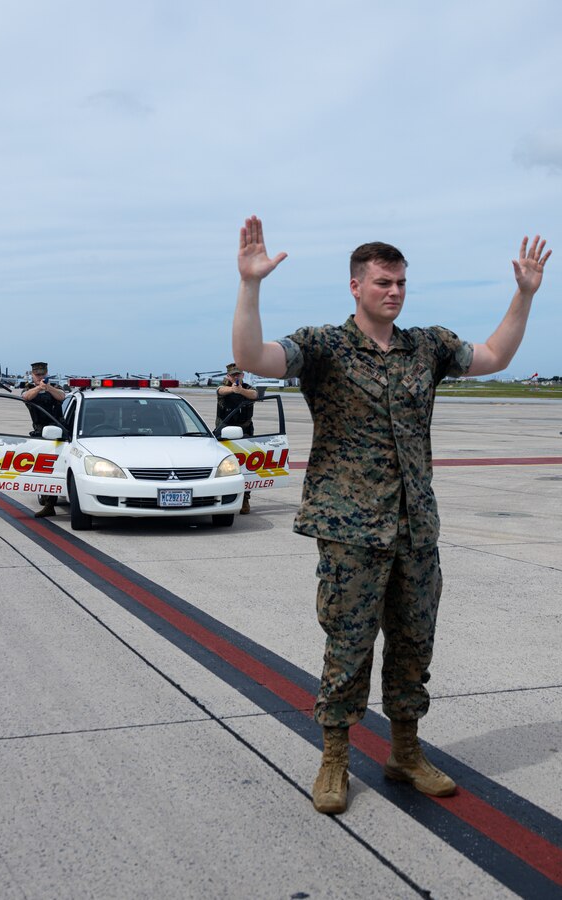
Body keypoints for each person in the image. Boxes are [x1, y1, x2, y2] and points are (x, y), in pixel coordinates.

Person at [232, 215, 551, 815]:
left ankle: (405, 751)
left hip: (415, 529)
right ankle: (334, 758)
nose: (395, 291)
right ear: (356, 286)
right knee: (348, 645)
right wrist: (250, 285)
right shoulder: (326, 346)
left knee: (413, 644)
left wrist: (524, 294)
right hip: (351, 530)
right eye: (383, 282)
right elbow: (252, 355)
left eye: (401, 281)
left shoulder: (425, 345)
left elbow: (494, 357)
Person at [21, 362, 66, 519]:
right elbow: (26, 397)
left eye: (43, 374)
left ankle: (51, 503)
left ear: (47, 373)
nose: (41, 377)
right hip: (41, 433)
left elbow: (62, 396)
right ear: (33, 375)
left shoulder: (54, 388)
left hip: (58, 432)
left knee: (54, 469)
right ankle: (48, 502)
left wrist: (48, 387)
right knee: (42, 470)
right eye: (38, 375)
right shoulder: (29, 389)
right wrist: (39, 388)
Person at [216, 363, 258, 514]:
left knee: (246, 466)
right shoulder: (223, 388)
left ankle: (245, 499)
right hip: (224, 433)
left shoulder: (248, 388)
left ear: (242, 375)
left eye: (238, 374)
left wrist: (241, 391)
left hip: (245, 432)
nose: (236, 377)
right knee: (223, 466)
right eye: (233, 375)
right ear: (228, 376)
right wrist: (233, 389)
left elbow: (254, 395)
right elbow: (220, 391)